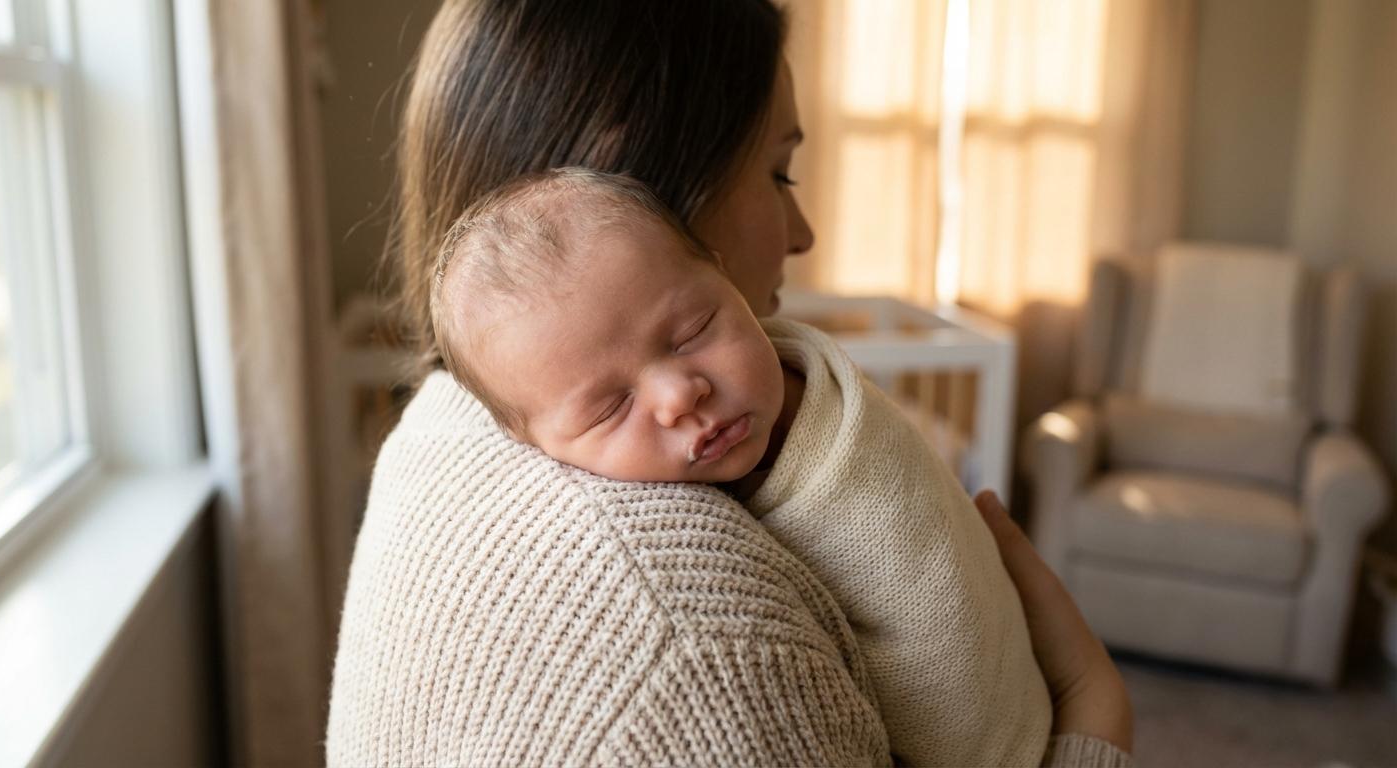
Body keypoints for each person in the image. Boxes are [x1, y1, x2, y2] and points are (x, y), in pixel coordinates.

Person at [326, 1, 1133, 765]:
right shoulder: (705, 662)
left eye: (688, 336)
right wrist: (1093, 719)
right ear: (635, 182)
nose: (805, 234)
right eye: (781, 173)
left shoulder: (440, 424)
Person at [428, 167, 1052, 766]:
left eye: (693, 330)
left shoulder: (826, 426)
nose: (679, 396)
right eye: (611, 407)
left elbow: (944, 612)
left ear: (724, 277)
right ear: (530, 444)